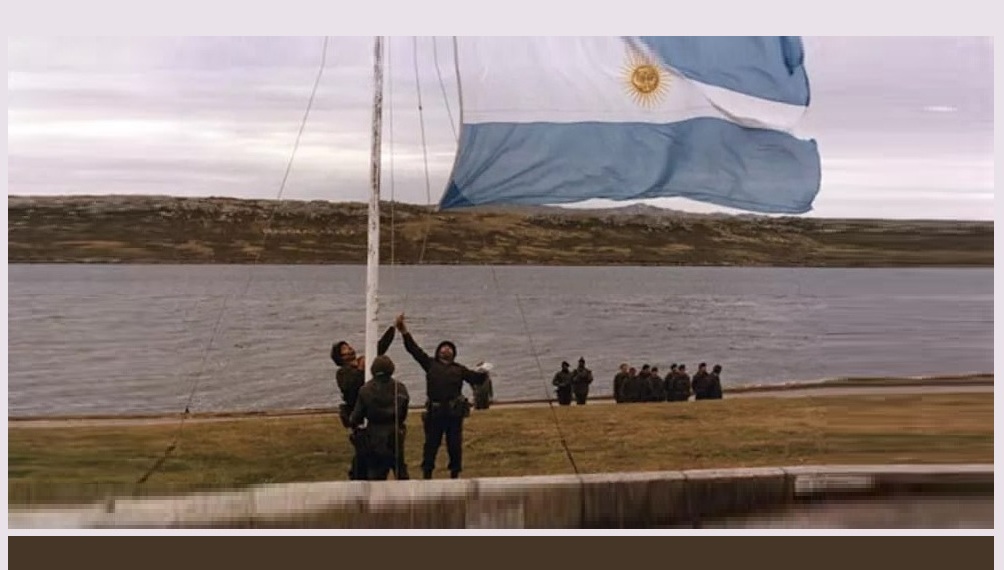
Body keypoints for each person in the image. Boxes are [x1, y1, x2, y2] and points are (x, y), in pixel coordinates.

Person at [395, 313, 489, 480]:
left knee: (454, 446)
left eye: (449, 347)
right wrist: (404, 332)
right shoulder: (430, 364)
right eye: (443, 347)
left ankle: (455, 474)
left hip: (454, 414)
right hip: (435, 413)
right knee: (431, 445)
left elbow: (476, 379)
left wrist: (484, 370)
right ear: (438, 352)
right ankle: (427, 473)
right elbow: (413, 350)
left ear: (454, 353)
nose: (446, 349)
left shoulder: (459, 369)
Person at [330, 324, 396, 480]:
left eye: (348, 347)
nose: (349, 350)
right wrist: (360, 370)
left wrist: (393, 329)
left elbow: (379, 348)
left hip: (374, 414)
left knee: (381, 454)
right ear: (340, 358)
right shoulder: (342, 373)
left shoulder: (363, 362)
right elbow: (350, 387)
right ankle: (359, 480)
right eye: (344, 350)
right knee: (364, 455)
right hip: (359, 419)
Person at [348, 355, 410, 480]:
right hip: (395, 433)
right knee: (400, 471)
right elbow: (403, 412)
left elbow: (356, 417)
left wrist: (354, 424)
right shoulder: (400, 388)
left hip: (374, 434)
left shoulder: (366, 390)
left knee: (375, 473)